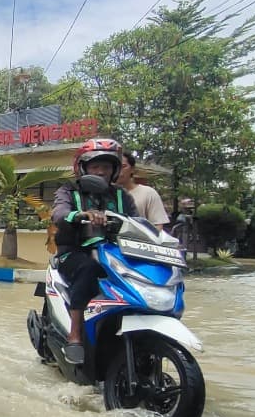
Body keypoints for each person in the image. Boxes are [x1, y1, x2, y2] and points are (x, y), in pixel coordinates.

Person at [52, 138, 139, 366]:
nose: (101, 171)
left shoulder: (122, 196)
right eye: (95, 166)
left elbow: (140, 223)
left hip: (115, 254)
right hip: (73, 252)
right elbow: (59, 214)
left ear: (115, 170)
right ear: (83, 168)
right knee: (89, 268)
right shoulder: (69, 190)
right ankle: (75, 335)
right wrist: (80, 215)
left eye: (107, 167)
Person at [116, 152, 170, 231]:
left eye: (123, 167)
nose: (119, 171)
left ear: (132, 169)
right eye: (115, 166)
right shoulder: (104, 193)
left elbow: (157, 226)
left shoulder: (148, 193)